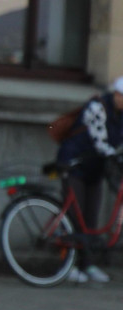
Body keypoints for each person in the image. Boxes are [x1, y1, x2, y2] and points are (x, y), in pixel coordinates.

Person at [56, 75, 123, 284]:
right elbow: (99, 142)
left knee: (91, 218)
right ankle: (68, 266)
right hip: (74, 165)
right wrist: (115, 157)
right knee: (75, 218)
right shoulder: (97, 107)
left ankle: (88, 265)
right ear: (117, 94)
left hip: (95, 169)